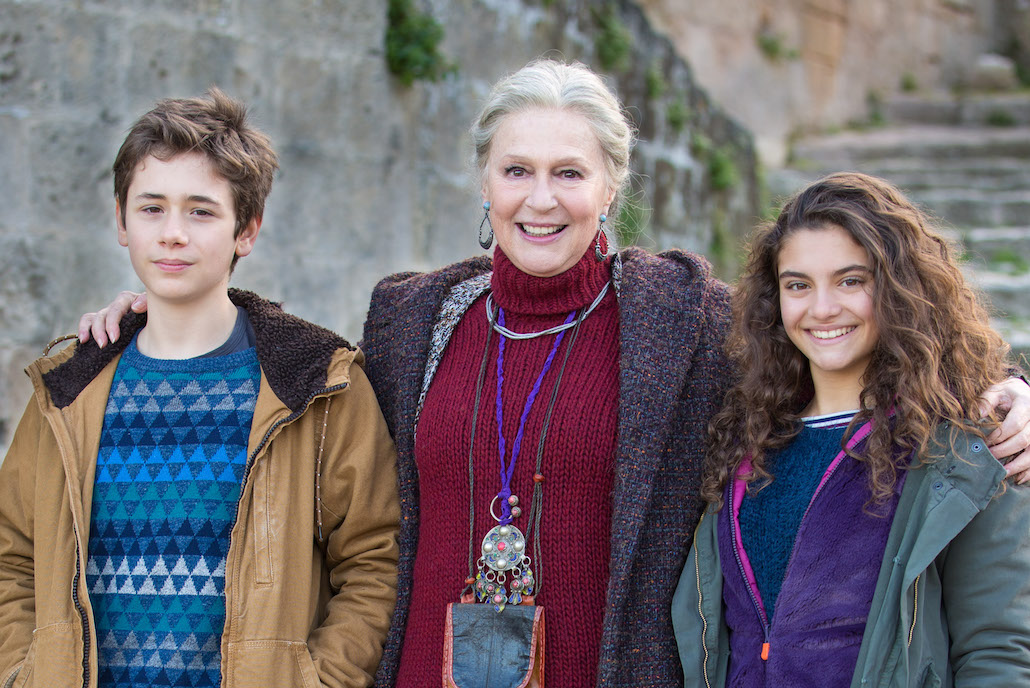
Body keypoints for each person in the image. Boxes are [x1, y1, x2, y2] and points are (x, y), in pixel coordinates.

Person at [75, 64, 1030, 687]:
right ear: (483, 182)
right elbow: (307, 370)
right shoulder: (412, 316)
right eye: (516, 170)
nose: (541, 199)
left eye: (569, 173)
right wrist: (158, 309)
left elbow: (829, 334)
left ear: (611, 185)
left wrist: (1004, 384)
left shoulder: (681, 316)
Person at [0, 89, 400, 688]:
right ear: (121, 221)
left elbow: (375, 559)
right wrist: (22, 672)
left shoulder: (316, 386)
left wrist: (319, 680)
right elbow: (12, 555)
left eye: (201, 211)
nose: (172, 234)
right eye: (151, 208)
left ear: (247, 230)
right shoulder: (68, 390)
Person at [671, 172, 1030, 687]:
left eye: (851, 281)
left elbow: (999, 651)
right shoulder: (745, 437)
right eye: (798, 285)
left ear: (901, 289)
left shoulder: (965, 448)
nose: (822, 309)